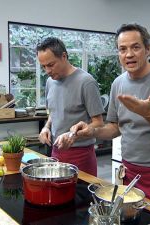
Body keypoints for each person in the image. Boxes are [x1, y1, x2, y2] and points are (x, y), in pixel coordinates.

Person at [70, 23, 150, 210]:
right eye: (122, 49)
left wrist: (149, 114)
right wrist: (90, 131)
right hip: (129, 173)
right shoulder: (118, 83)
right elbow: (114, 127)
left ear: (147, 49)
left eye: (135, 47)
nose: (129, 54)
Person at [37, 37, 104, 176]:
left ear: (64, 56)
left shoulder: (86, 82)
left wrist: (73, 135)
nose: (47, 71)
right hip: (56, 152)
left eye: (51, 65)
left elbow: (98, 122)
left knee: (81, 197)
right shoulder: (50, 82)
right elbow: (54, 112)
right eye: (43, 66)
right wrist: (46, 127)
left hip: (81, 155)